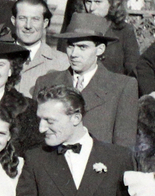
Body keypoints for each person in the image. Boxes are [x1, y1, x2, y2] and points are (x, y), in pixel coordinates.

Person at [37, 15, 140, 150]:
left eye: (82, 47)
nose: (74, 54)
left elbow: (124, 148)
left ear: (100, 49)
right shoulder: (46, 82)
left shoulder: (122, 87)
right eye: (70, 46)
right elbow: (36, 140)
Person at [76, 0, 142, 79]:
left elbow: (133, 69)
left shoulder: (124, 30)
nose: (91, 8)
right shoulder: (78, 28)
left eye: (98, 2)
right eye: (88, 2)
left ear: (110, 3)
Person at [12, 0, 69, 98]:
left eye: (35, 19)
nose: (28, 26)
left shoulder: (62, 62)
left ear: (45, 23)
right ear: (13, 20)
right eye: (22, 18)